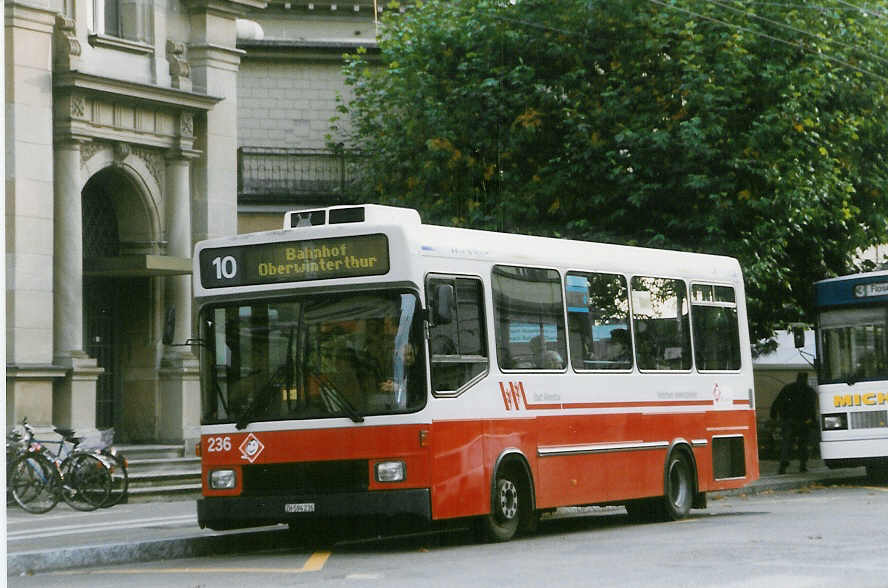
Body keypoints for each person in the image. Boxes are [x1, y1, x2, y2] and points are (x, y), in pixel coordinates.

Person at [770, 372, 818, 474]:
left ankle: (784, 466)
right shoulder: (809, 391)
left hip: (790, 421)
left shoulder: (788, 389)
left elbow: (777, 403)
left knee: (787, 444)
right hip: (802, 422)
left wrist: (774, 416)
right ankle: (802, 465)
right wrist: (813, 421)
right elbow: (812, 409)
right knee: (802, 444)